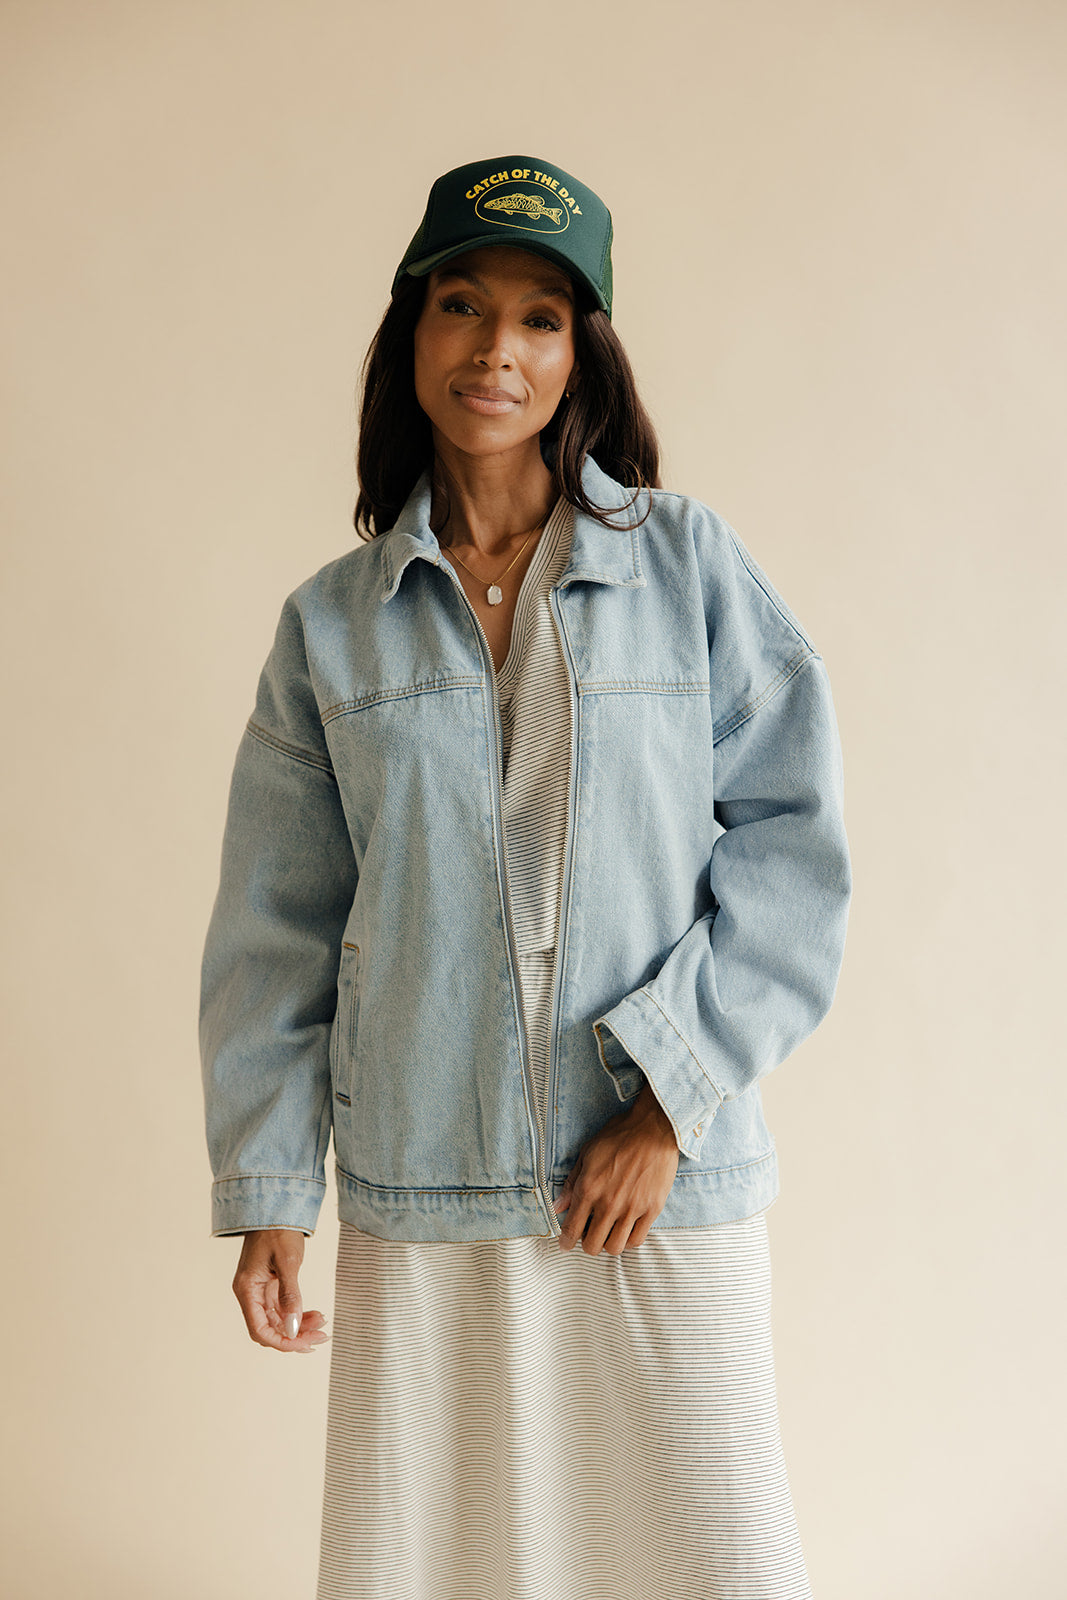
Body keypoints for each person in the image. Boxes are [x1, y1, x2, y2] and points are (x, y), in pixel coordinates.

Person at [200, 153, 852, 1600]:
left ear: (586, 355)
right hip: (421, 1182)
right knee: (427, 1564)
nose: (498, 347)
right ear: (411, 334)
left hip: (652, 1189)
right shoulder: (332, 631)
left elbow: (796, 852)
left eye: (543, 317)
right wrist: (268, 1191)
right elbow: (277, 923)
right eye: (462, 304)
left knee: (719, 1552)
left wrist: (671, 1104)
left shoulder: (687, 567)